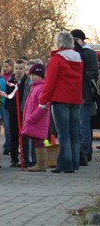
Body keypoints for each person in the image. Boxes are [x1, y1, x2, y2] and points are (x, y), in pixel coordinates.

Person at [39, 31, 84, 173]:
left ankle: (66, 165)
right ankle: (74, 163)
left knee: (63, 133)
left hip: (60, 98)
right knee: (73, 132)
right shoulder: (77, 58)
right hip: (75, 98)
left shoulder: (56, 59)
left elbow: (50, 82)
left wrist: (43, 100)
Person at [71, 29, 98, 165]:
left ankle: (86, 153)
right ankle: (80, 152)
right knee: (77, 125)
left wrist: (79, 75)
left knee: (84, 125)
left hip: (85, 93)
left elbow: (94, 72)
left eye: (76, 39)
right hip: (73, 93)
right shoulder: (71, 53)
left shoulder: (89, 53)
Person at [21, 63, 50, 171]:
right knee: (37, 141)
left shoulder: (41, 88)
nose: (31, 77)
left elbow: (43, 107)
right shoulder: (34, 87)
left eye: (34, 75)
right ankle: (40, 164)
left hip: (37, 120)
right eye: (31, 74)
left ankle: (41, 164)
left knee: (39, 141)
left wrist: (31, 118)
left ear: (41, 75)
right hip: (34, 119)